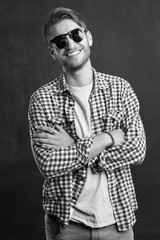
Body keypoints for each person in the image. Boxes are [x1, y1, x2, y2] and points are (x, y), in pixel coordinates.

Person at [28, 7, 146, 240]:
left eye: (75, 34)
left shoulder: (120, 89)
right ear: (53, 51)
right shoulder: (41, 99)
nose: (70, 44)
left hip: (118, 221)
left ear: (88, 37)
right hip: (66, 223)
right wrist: (106, 138)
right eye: (60, 41)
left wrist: (73, 145)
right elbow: (48, 165)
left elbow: (137, 150)